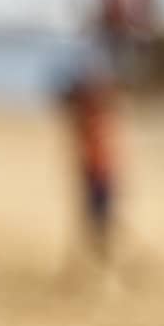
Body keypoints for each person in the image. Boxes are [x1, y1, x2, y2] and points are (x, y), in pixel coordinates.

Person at [57, 54, 120, 265]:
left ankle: (101, 255)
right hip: (94, 170)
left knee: (101, 217)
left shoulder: (96, 116)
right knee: (95, 217)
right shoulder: (87, 118)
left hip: (100, 170)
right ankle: (98, 255)